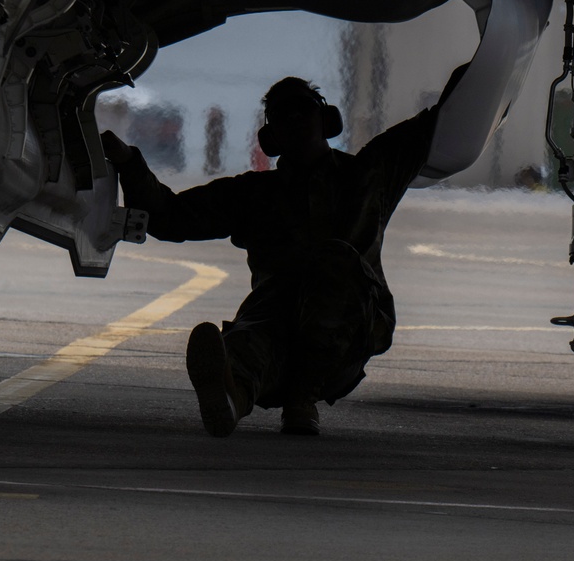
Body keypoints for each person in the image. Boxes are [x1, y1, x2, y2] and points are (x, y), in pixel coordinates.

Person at [102, 77, 437, 437]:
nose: (294, 117)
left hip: (342, 342)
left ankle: (302, 401)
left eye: (303, 108)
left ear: (327, 120)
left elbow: (439, 122)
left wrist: (491, 56)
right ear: (270, 137)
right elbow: (171, 217)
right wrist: (128, 162)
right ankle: (231, 401)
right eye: (282, 113)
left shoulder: (369, 175)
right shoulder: (254, 195)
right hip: (275, 328)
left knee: (336, 260)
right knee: (245, 347)